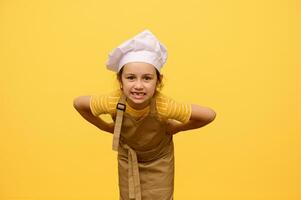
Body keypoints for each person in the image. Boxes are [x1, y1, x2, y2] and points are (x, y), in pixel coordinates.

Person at [73, 29, 216, 200]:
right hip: (129, 160)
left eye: (147, 78)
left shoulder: (164, 106)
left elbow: (209, 114)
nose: (138, 85)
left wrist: (178, 128)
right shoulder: (113, 102)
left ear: (158, 82)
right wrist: (105, 127)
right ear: (120, 81)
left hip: (159, 162)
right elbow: (79, 103)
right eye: (131, 77)